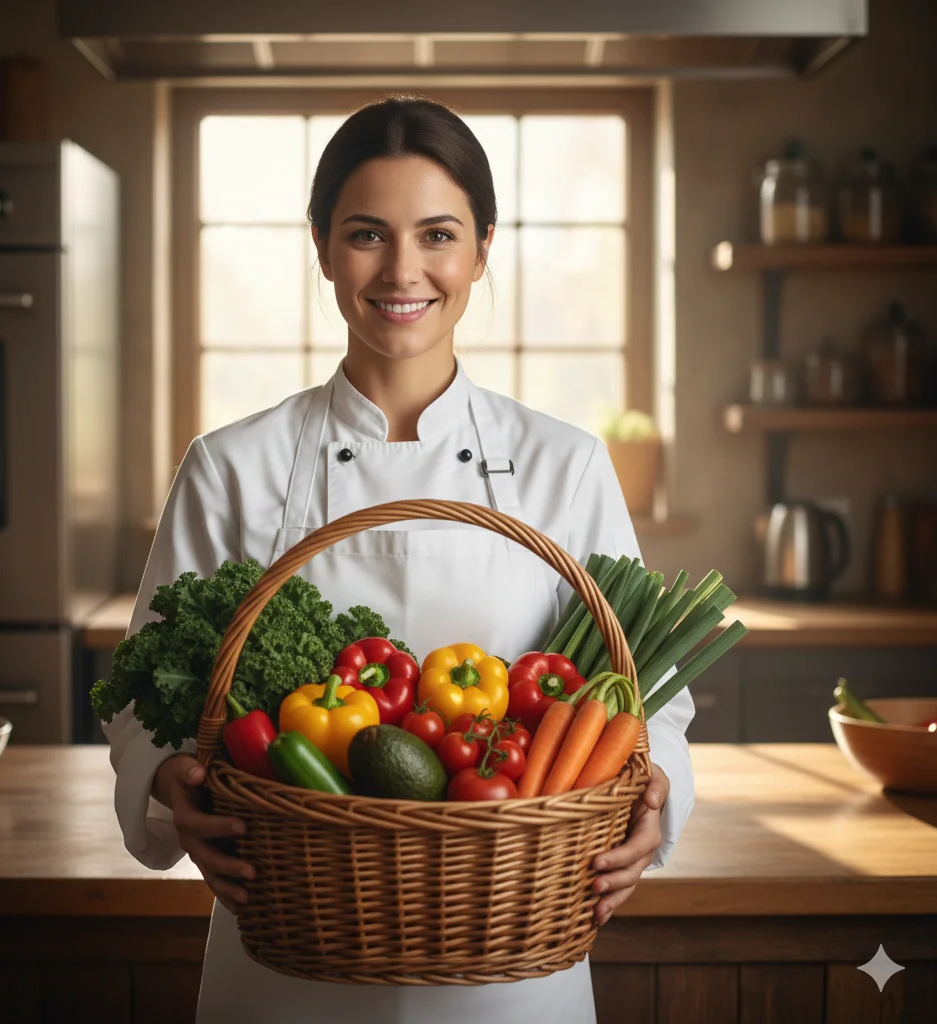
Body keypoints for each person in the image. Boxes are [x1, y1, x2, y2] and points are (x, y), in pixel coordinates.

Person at [103, 94, 695, 1024]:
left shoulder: (564, 463)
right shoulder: (231, 466)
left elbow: (652, 695)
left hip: (513, 964)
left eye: (439, 235)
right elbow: (145, 691)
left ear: (484, 248)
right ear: (322, 246)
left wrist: (661, 790)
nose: (403, 271)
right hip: (289, 963)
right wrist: (168, 778)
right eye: (367, 234)